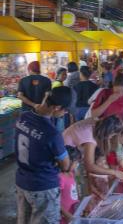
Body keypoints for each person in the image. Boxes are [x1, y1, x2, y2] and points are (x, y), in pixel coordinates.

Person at [15, 86, 72, 224]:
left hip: (22, 181)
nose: (65, 114)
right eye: (65, 110)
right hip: (43, 186)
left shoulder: (23, 117)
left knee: (23, 220)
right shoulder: (52, 133)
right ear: (57, 107)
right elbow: (65, 165)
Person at [59, 146, 81, 224]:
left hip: (73, 214)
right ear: (68, 161)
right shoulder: (60, 178)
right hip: (65, 217)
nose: (77, 165)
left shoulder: (71, 174)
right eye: (76, 162)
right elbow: (55, 200)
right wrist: (66, 214)